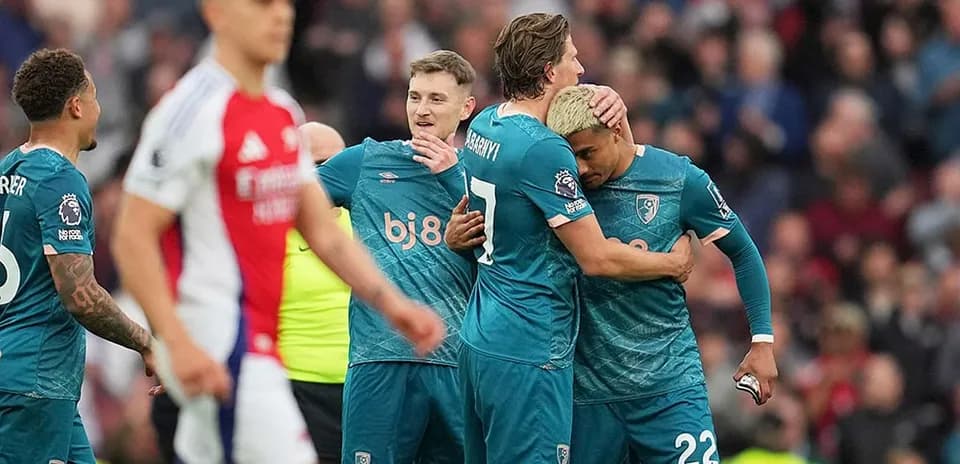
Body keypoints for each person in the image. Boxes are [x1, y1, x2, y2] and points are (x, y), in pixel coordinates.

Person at [111, 1, 444, 462]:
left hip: (260, 350)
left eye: (285, 5)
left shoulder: (281, 112)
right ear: (217, 13)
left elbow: (323, 234)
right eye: (263, 4)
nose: (282, 16)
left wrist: (393, 305)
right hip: (217, 343)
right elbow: (131, 237)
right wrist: (178, 342)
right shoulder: (190, 112)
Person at [454, 13, 694, 463]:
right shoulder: (545, 150)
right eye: (572, 58)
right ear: (549, 72)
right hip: (530, 347)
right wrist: (672, 264)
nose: (580, 69)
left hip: (480, 338)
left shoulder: (486, 124)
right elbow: (598, 257)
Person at [545, 85, 776, 463]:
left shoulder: (678, 179)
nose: (581, 168)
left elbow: (744, 252)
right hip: (587, 395)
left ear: (617, 131)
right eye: (572, 157)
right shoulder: (559, 190)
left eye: (588, 153)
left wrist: (762, 341)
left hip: (669, 388)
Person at [316, 50, 475, 463]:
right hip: (380, 359)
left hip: (457, 363)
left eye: (436, 99)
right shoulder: (365, 161)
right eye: (414, 97)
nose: (422, 110)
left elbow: (510, 245)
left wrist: (453, 177)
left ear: (466, 107)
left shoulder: (480, 173)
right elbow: (287, 199)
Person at [0, 48, 155, 464]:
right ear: (76, 105)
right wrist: (145, 342)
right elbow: (80, 295)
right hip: (34, 381)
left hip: (33, 380)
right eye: (95, 97)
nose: (99, 109)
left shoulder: (8, 170)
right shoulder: (60, 181)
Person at [280, 121, 351, 463]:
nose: (330, 175)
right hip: (297, 386)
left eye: (339, 163)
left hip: (365, 385)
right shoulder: (274, 232)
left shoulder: (369, 223)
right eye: (318, 166)